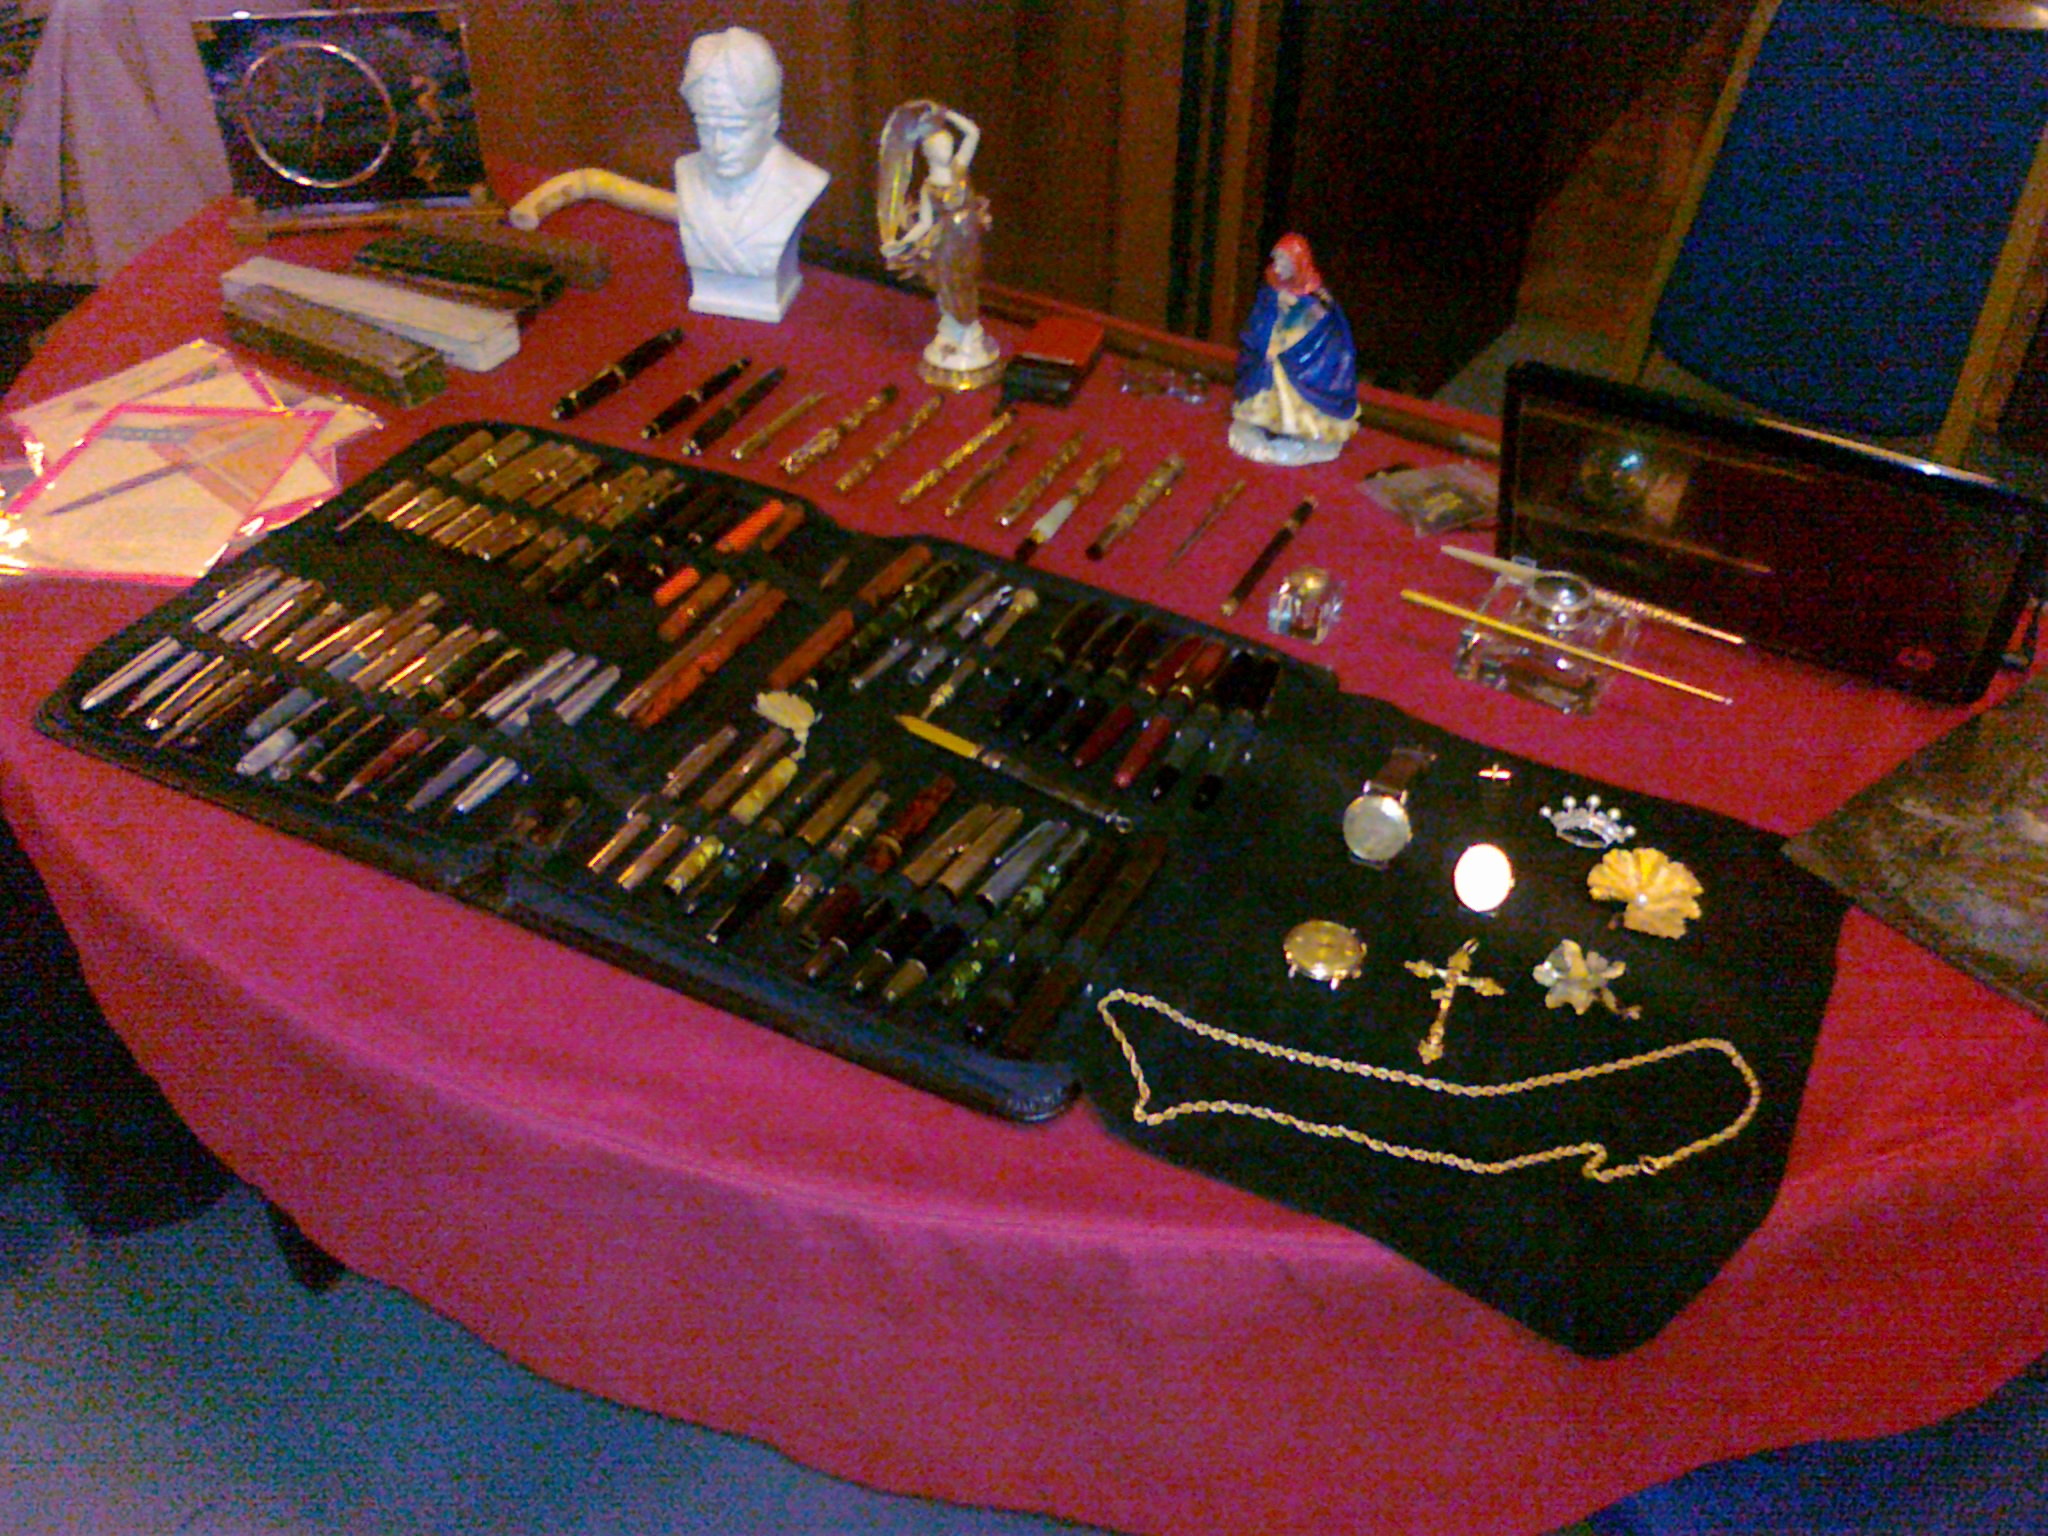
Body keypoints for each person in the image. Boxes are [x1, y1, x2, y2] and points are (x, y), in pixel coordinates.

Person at [507, 27, 827, 322]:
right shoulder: (689, 172)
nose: (719, 147)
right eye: (706, 127)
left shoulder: (800, 183)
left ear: (771, 123)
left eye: (734, 130)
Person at [877, 101, 1000, 387]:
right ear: (929, 153)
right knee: (949, 284)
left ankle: (969, 332)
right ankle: (955, 332)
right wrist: (900, 242)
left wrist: (947, 114)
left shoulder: (960, 168)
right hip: (946, 243)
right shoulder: (929, 187)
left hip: (968, 237)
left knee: (968, 281)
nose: (947, 150)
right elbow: (923, 223)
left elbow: (973, 133)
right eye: (941, 147)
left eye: (948, 145)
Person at [1229, 233, 1360, 464]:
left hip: (1303, 346)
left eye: (1284, 262)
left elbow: (1324, 318)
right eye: (1276, 260)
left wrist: (1304, 310)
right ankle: (1266, 419)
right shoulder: (1272, 284)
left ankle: (1298, 426)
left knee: (1291, 379)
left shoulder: (1315, 292)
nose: (1278, 267)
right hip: (1274, 339)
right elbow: (1261, 313)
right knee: (1269, 368)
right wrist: (1275, 308)